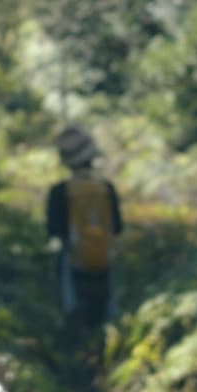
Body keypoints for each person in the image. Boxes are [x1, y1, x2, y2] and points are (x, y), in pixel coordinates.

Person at [44, 125, 123, 369]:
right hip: (105, 262)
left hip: (72, 263)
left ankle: (76, 361)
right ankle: (106, 360)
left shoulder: (60, 192)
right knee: (104, 313)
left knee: (73, 312)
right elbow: (118, 227)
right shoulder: (106, 188)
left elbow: (54, 230)